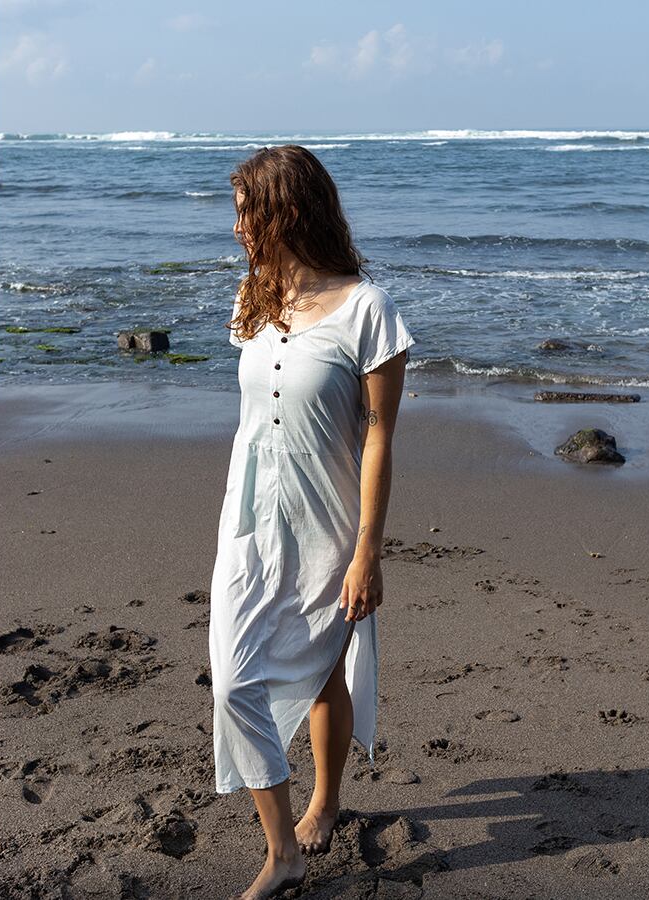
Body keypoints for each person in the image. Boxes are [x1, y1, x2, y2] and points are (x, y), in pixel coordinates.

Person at [210, 145, 416, 899]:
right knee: (234, 682)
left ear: (287, 212)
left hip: (327, 523)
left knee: (325, 665)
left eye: (247, 213)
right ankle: (284, 850)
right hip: (248, 520)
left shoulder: (369, 310)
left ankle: (324, 804)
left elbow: (379, 438)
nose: (238, 228)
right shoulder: (252, 298)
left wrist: (368, 552)